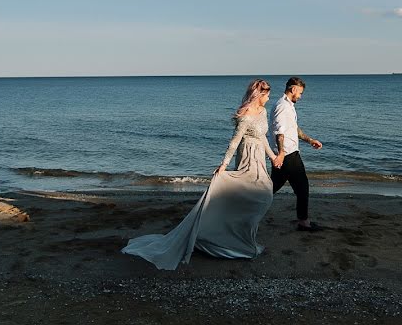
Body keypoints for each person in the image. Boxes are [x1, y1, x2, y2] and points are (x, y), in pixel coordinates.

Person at [121, 79, 279, 270]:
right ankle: (229, 240)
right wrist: (223, 165)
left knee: (264, 194)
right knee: (257, 197)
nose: (269, 98)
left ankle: (242, 238)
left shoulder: (262, 112)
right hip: (247, 159)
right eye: (267, 95)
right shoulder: (245, 115)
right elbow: (234, 142)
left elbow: (262, 136)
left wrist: (273, 157)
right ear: (259, 94)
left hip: (259, 159)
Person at [270, 76, 324, 232]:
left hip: (286, 154)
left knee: (271, 187)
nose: (300, 96)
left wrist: (310, 140)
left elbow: (294, 128)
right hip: (287, 155)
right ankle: (303, 222)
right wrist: (280, 153)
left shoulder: (288, 106)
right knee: (302, 187)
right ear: (293, 89)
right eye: (300, 93)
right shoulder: (282, 106)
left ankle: (248, 206)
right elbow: (279, 132)